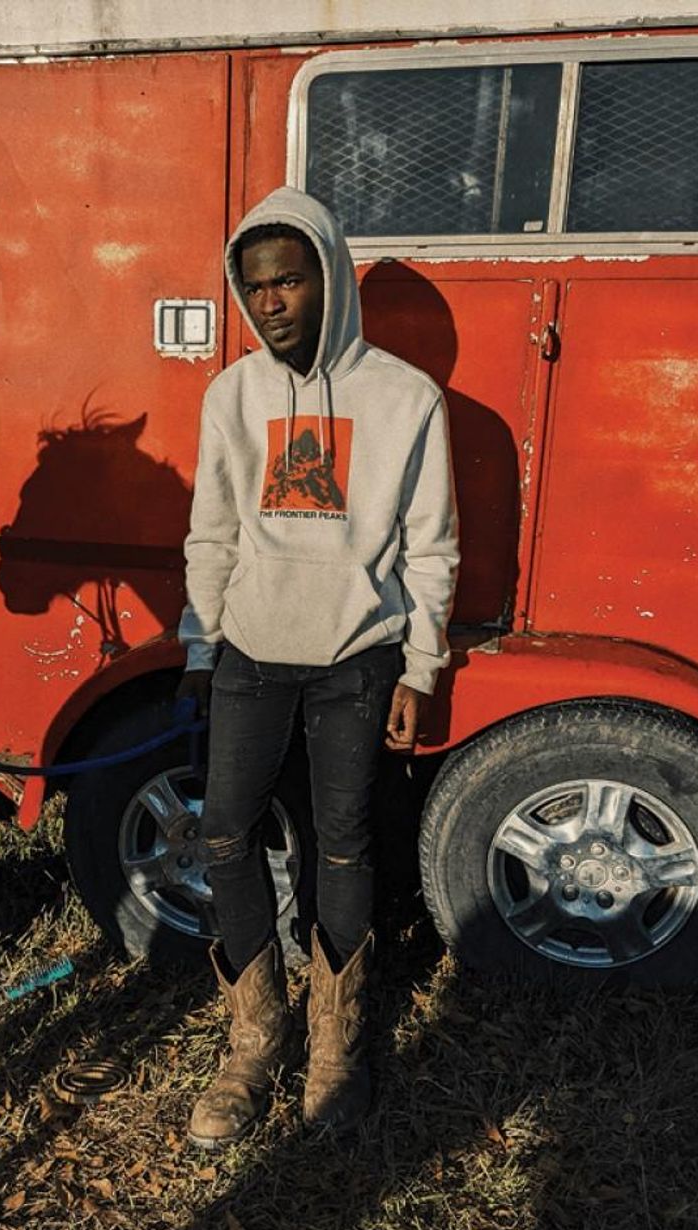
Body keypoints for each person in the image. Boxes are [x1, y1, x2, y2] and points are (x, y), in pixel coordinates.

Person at [176, 186, 459, 1148]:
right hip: (252, 651)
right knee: (225, 834)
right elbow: (210, 530)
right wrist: (200, 643)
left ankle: (336, 1044)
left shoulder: (406, 396)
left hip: (355, 658)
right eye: (254, 287)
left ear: (328, 278)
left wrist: (420, 670)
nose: (271, 303)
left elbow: (432, 548)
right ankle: (256, 1037)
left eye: (290, 280)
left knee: (342, 843)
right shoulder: (232, 394)